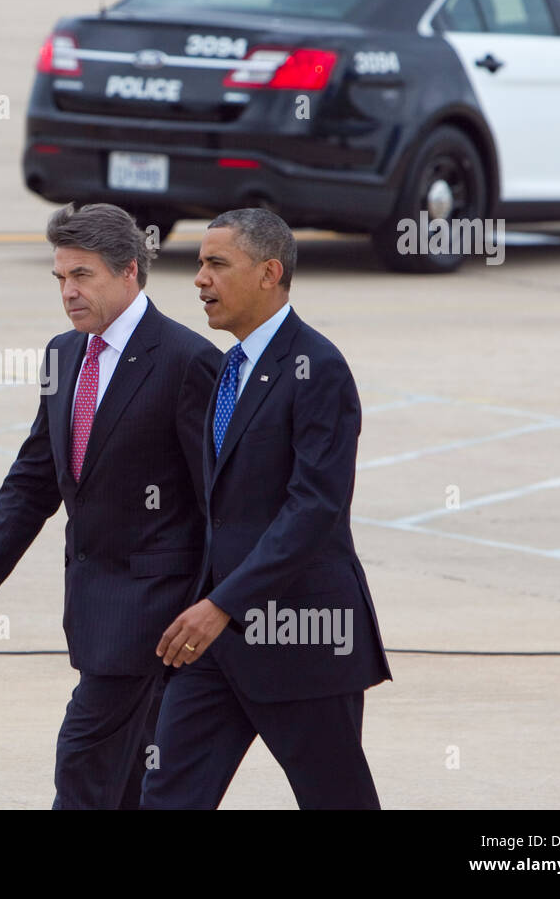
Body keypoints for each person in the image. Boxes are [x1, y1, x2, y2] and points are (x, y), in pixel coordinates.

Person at [0, 202, 222, 809]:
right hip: (95, 610)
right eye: (60, 279)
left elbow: (219, 501)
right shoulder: (64, 354)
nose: (68, 293)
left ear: (128, 271)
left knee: (82, 766)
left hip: (159, 614)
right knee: (135, 784)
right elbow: (37, 472)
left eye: (82, 276)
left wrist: (212, 604)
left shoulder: (187, 362)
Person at [141, 208, 392, 809]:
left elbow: (314, 510)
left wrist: (221, 605)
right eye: (200, 263)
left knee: (337, 800)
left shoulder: (317, 369)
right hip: (216, 645)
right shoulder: (229, 366)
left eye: (217, 264)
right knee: (168, 795)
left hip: (299, 635)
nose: (199, 278)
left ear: (268, 273)